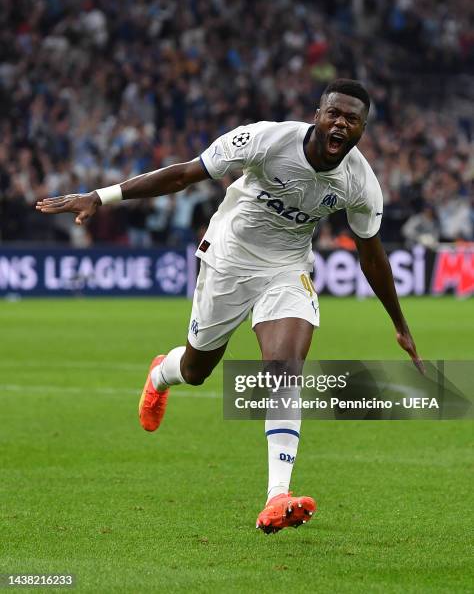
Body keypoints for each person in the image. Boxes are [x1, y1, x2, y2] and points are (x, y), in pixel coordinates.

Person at [36, 79, 423, 534]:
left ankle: (277, 496)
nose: (341, 123)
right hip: (228, 259)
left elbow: (370, 253)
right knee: (198, 369)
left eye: (352, 119)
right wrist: (101, 197)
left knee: (285, 368)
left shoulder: (360, 182)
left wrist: (399, 323)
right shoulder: (265, 139)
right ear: (317, 114)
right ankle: (162, 372)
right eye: (333, 113)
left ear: (362, 128)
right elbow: (184, 174)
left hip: (287, 269)